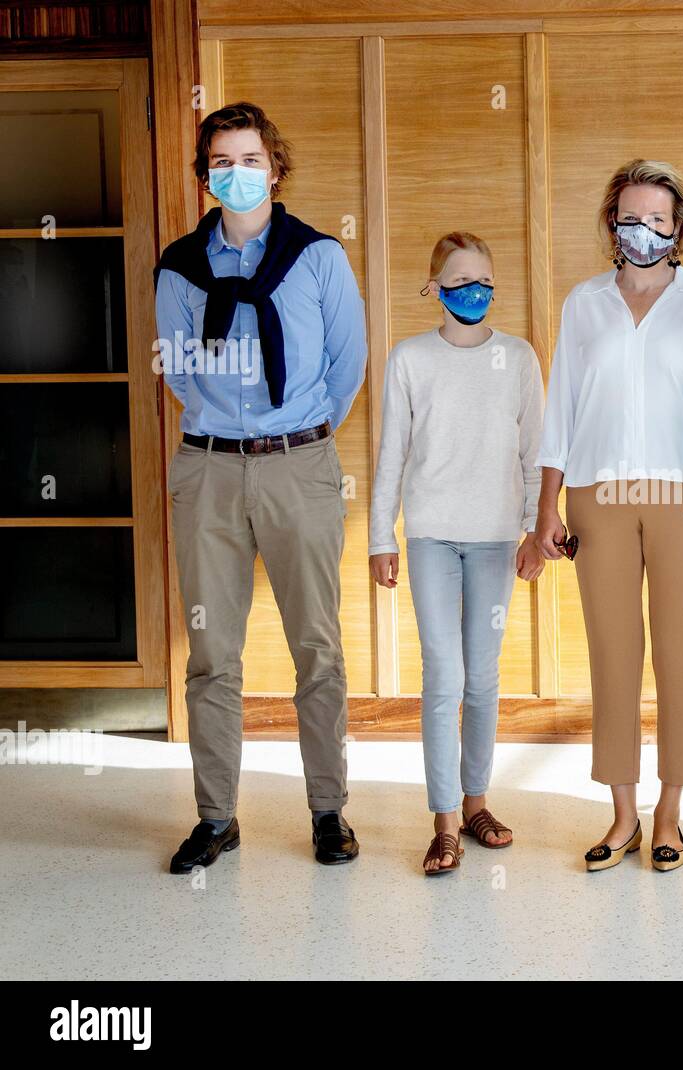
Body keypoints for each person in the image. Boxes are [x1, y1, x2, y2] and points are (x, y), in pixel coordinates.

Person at [154, 101, 367, 872]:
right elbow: (180, 368)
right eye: (222, 162)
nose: (236, 173)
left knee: (318, 647)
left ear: (275, 170)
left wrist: (289, 436)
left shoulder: (319, 258)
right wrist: (230, 434)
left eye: (250, 159)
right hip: (208, 469)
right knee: (211, 652)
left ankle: (328, 811)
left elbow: (346, 366)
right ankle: (216, 817)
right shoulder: (180, 266)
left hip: (298, 465)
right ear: (205, 176)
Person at [532, 159, 683, 873]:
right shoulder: (583, 303)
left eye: (656, 218)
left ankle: (671, 812)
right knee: (612, 655)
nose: (642, 229)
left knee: (681, 655)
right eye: (630, 218)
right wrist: (545, 506)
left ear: (678, 228)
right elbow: (561, 408)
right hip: (598, 495)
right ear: (611, 225)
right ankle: (623, 815)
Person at [369, 232, 544, 875]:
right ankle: (444, 821)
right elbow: (391, 453)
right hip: (431, 537)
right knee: (443, 675)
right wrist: (380, 536)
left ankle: (477, 804)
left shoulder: (518, 358)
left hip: (496, 538)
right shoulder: (410, 359)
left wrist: (535, 529)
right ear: (434, 288)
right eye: (461, 280)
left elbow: (535, 451)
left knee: (483, 675)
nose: (475, 291)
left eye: (485, 281)